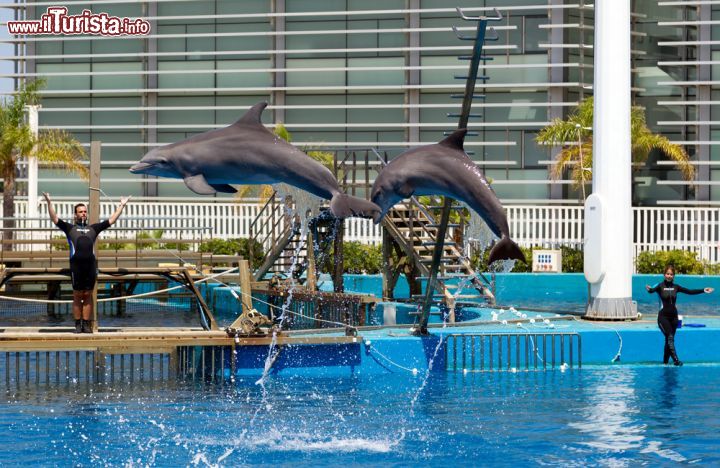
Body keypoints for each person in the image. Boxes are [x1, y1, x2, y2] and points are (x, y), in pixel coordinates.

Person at [43, 192, 130, 333]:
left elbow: (111, 220)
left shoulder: (93, 228)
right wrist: (49, 202)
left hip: (90, 266)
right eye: (80, 212)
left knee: (88, 295)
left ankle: (87, 324)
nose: (83, 214)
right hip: (76, 266)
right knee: (78, 295)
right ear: (75, 214)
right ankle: (78, 324)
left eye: (85, 211)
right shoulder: (70, 228)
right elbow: (54, 218)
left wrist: (121, 206)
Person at [646, 265, 714, 366]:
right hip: (663, 317)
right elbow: (652, 290)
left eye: (671, 274)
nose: (669, 276)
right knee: (669, 337)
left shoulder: (676, 287)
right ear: (664, 275)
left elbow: (690, 291)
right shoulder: (660, 286)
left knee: (669, 339)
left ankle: (665, 362)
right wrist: (649, 289)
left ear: (673, 276)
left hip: (674, 318)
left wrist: (703, 290)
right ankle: (676, 360)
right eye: (667, 274)